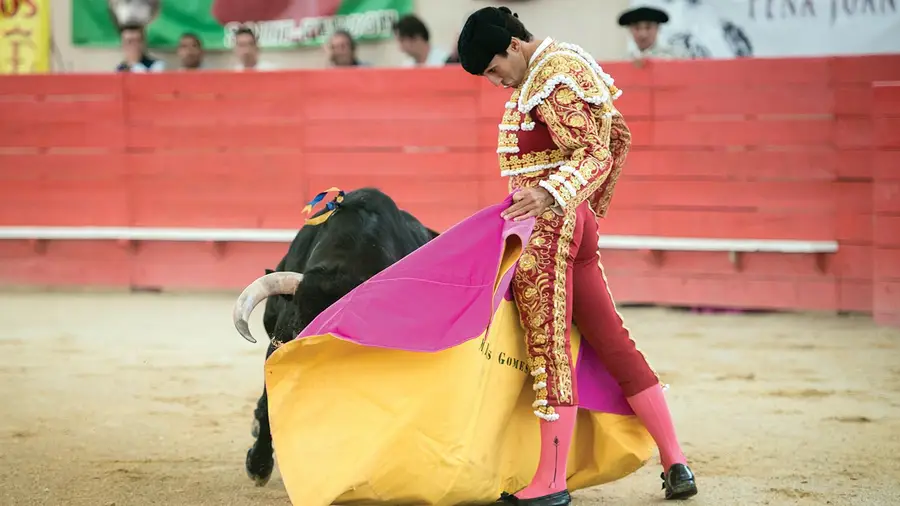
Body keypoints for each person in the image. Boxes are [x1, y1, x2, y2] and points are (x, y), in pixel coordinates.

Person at [457, 6, 697, 504]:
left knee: (548, 346)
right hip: (569, 218)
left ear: (514, 46)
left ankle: (550, 482)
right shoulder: (557, 66)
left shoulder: (551, 74)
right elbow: (618, 135)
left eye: (494, 69)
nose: (496, 81)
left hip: (549, 222)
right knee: (612, 341)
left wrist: (552, 198)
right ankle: (676, 461)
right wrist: (588, 209)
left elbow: (595, 151)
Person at [617, 5, 687, 63]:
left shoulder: (675, 58)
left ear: (658, 28)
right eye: (637, 28)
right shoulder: (625, 61)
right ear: (630, 30)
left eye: (648, 27)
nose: (643, 34)